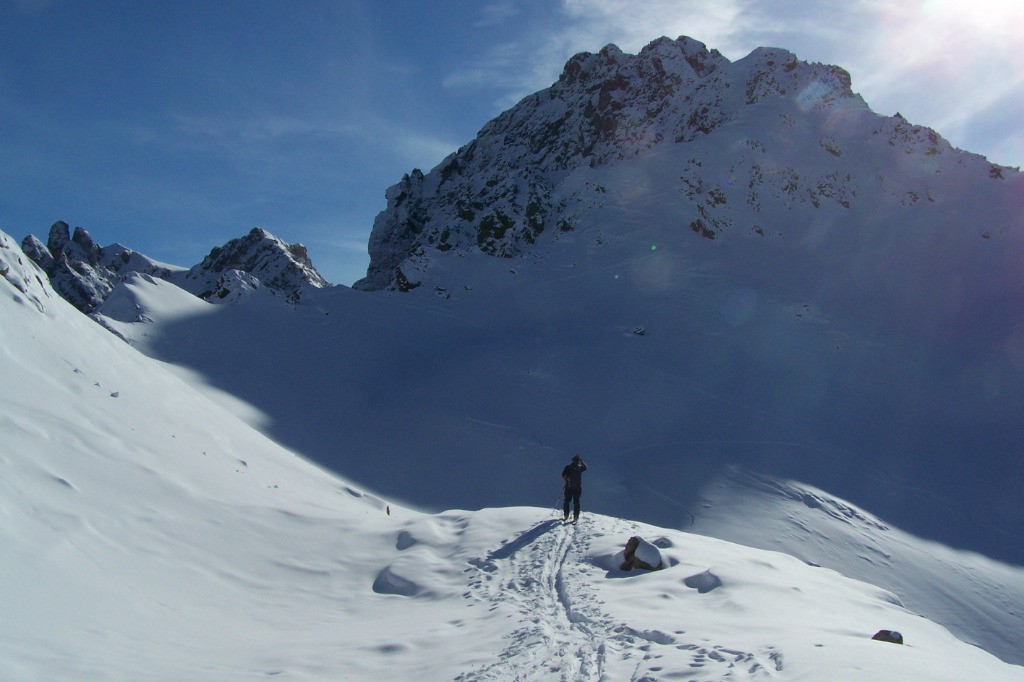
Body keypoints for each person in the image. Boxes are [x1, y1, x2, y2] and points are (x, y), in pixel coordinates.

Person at [561, 454, 588, 523]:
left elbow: (563, 475)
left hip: (568, 486)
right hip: (577, 487)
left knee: (567, 501)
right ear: (578, 461)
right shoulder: (580, 468)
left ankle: (566, 515)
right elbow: (585, 467)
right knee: (576, 502)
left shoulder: (568, 467)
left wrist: (567, 480)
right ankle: (576, 517)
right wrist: (581, 461)